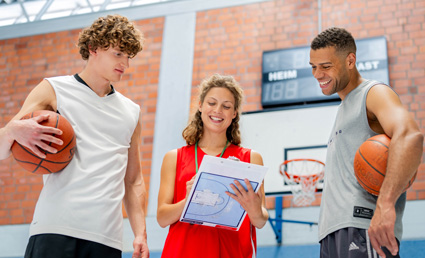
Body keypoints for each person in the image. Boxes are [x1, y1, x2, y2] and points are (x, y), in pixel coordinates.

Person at [0, 15, 149, 258]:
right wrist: (11, 131)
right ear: (93, 49)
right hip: (55, 227)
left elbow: (133, 180)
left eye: (129, 56)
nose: (125, 64)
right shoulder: (54, 89)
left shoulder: (131, 111)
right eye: (118, 53)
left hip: (106, 237)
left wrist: (140, 232)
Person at [309, 27, 423, 258]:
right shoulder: (344, 109)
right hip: (332, 233)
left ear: (350, 60)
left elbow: (411, 135)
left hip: (362, 227)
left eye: (326, 66)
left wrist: (386, 204)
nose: (317, 74)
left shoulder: (373, 92)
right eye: (313, 67)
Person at [157, 74, 269, 258]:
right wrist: (189, 199)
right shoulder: (174, 157)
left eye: (226, 106)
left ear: (234, 114)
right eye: (212, 103)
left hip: (232, 252)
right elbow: (162, 218)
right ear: (200, 106)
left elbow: (260, 221)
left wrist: (255, 208)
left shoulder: (250, 158)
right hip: (183, 251)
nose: (218, 110)